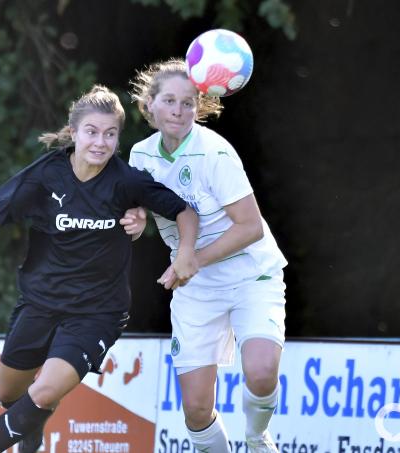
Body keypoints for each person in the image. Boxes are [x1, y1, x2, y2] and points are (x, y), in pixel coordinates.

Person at [0, 85, 199, 453]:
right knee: (7, 393)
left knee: (41, 393)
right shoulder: (45, 176)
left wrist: (185, 252)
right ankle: (31, 429)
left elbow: (184, 210)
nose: (100, 143)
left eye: (110, 134)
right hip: (40, 302)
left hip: (97, 312)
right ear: (73, 133)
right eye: (91, 132)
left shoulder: (127, 181)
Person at [122, 59, 288, 453]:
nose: (179, 111)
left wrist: (193, 260)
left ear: (200, 107)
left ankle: (256, 436)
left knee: (262, 373)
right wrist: (135, 216)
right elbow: (142, 206)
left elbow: (250, 227)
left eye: (188, 103)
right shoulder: (140, 156)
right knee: (196, 409)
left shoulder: (215, 153)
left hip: (251, 276)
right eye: (169, 101)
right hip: (196, 286)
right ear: (150, 105)